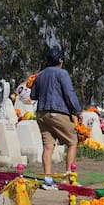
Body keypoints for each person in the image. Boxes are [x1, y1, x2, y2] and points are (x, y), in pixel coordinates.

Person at [30, 46, 82, 176]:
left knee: (48, 146)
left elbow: (33, 95)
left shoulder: (40, 75)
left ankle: (47, 178)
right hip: (57, 112)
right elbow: (69, 94)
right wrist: (77, 111)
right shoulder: (62, 73)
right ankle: (69, 175)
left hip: (41, 113)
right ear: (60, 60)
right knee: (72, 141)